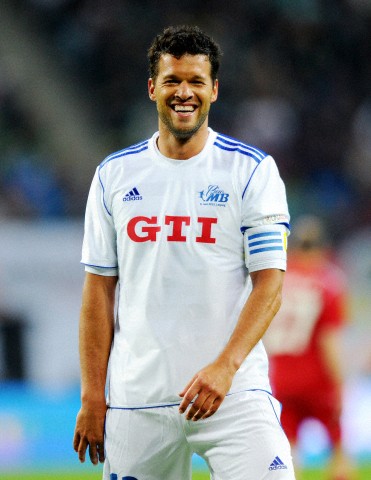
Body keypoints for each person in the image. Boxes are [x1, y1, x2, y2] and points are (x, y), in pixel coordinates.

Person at [73, 25, 295, 480]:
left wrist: (225, 366)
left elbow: (270, 284)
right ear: (153, 88)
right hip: (139, 399)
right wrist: (92, 395)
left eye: (196, 81)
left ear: (214, 90)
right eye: (173, 80)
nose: (184, 92)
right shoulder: (113, 176)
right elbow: (98, 291)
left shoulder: (251, 171)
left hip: (233, 393)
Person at [264, 215, 354, 480]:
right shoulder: (328, 282)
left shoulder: (278, 279)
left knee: (288, 454)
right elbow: (329, 341)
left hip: (281, 377)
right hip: (318, 378)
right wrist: (340, 382)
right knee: (338, 451)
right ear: (323, 247)